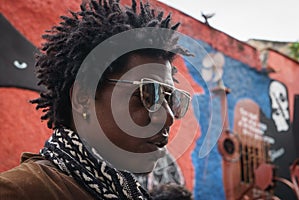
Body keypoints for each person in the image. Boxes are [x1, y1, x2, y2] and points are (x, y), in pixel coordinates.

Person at [0, 0, 191, 199]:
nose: (168, 117)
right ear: (83, 98)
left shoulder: (124, 192)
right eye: (149, 94)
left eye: (171, 99)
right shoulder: (20, 191)